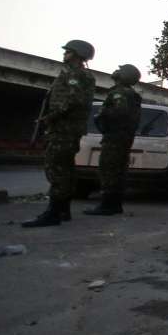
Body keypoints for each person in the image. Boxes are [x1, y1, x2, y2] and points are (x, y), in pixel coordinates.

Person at [23, 40, 96, 227]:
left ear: (77, 54)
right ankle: (62, 210)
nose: (65, 54)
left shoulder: (75, 74)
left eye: (68, 52)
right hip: (68, 129)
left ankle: (53, 213)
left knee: (56, 169)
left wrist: (50, 117)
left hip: (64, 129)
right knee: (65, 169)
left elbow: (71, 100)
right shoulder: (81, 74)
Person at [84, 64, 142, 216]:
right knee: (117, 170)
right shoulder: (129, 93)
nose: (116, 71)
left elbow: (119, 111)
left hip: (115, 136)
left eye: (120, 70)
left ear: (125, 75)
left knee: (108, 169)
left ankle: (107, 205)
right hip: (121, 137)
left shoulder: (120, 92)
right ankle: (114, 204)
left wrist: (102, 113)